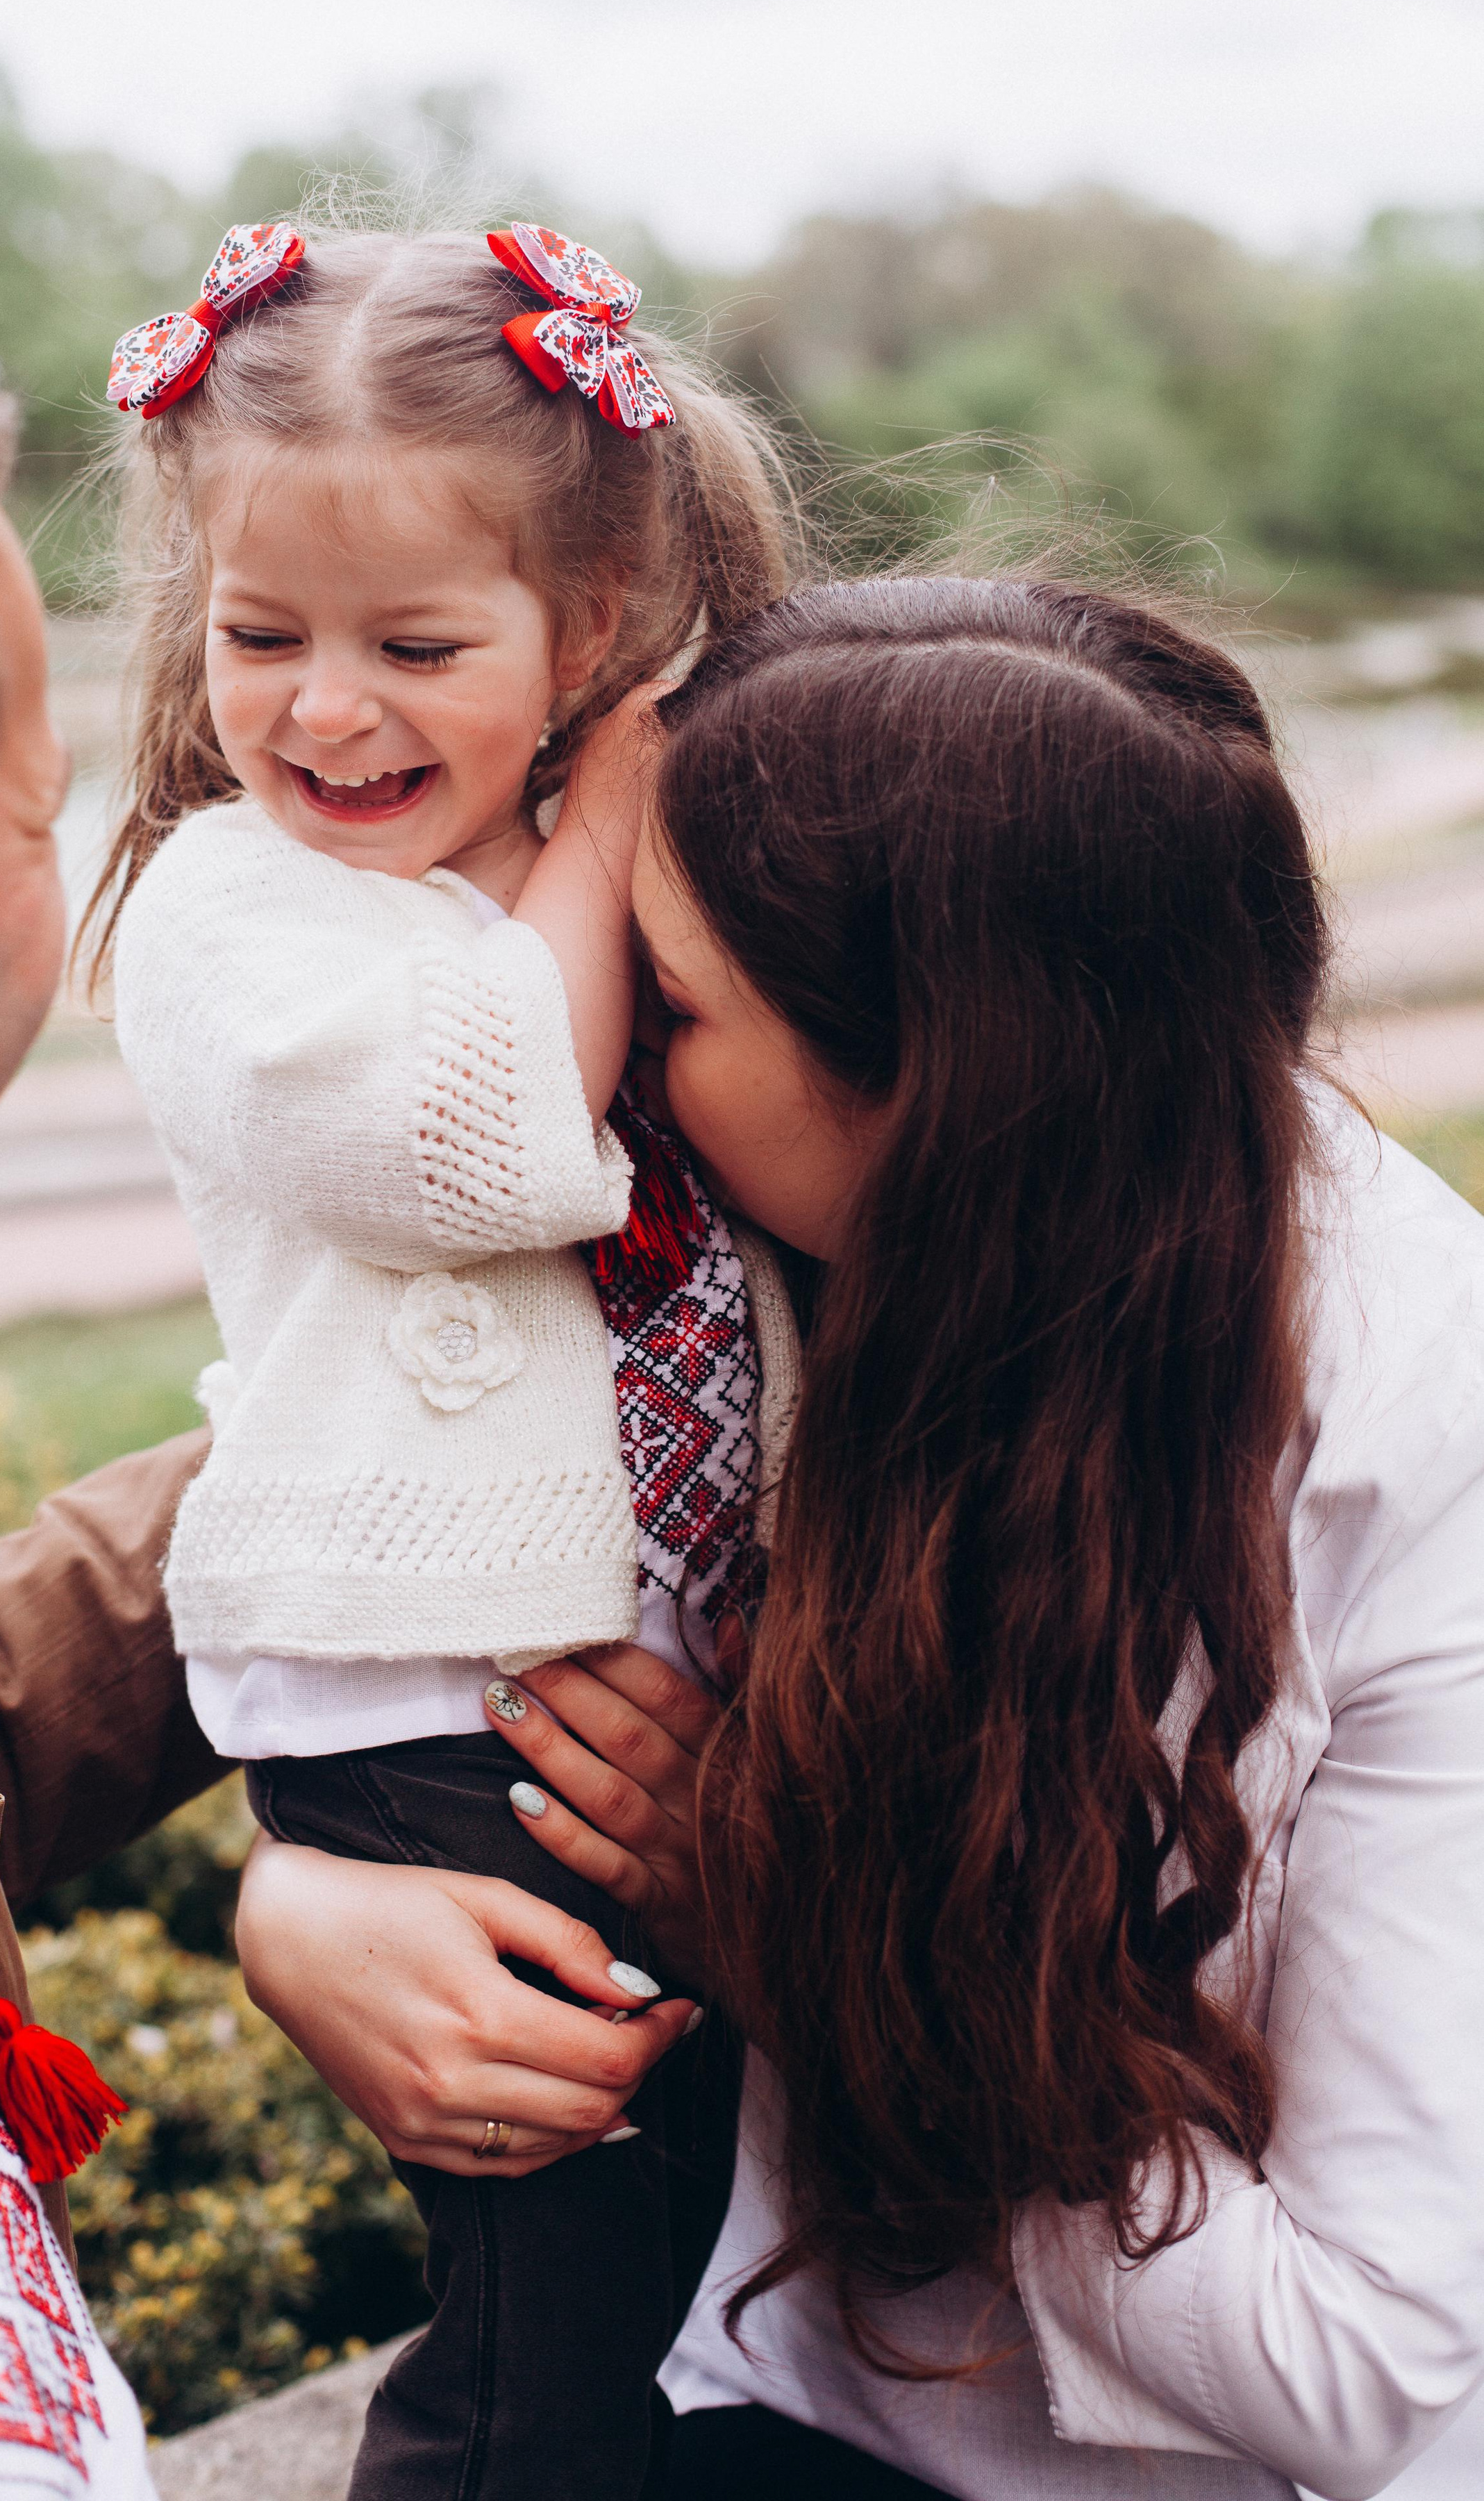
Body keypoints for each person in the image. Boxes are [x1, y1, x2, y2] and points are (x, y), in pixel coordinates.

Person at [237, 575, 1484, 2500]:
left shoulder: (1414, 1452)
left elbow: (1367, 2365)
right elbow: (321, 1483)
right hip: (744, 2382)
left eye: (666, 1003)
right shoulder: (753, 1246)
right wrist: (305, 1894)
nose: (610, 1064)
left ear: (928, 1081)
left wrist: (806, 1939)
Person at [0, 258, 699, 2501]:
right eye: (44, 795)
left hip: (544, 1703)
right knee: (577, 2342)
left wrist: (288, 1850)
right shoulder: (279, 927)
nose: (283, 728)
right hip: (484, 1760)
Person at [88, 214, 803, 2501]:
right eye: (258, 633)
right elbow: (480, 1135)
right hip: (420, 1709)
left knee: (705, 2248)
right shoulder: (236, 912)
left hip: (628, 1673)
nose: (319, 707)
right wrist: (602, 814)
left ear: (585, 625)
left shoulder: (611, 859)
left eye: (416, 641)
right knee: (558, 2324)